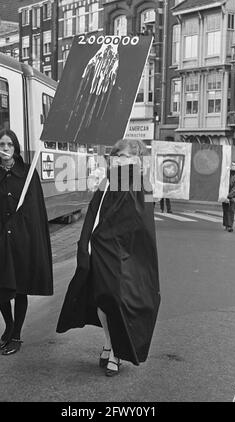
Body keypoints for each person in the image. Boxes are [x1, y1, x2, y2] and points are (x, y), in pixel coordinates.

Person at [56, 138, 160, 376]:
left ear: (138, 159)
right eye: (118, 156)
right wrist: (85, 244)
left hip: (126, 254)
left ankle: (116, 352)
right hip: (101, 249)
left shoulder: (143, 183)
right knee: (102, 301)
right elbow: (93, 213)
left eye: (126, 157)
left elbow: (142, 221)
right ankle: (109, 344)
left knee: (116, 301)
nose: (121, 160)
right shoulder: (107, 180)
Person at [0, 129, 53, 355]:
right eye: (1, 144)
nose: (5, 148)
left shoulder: (29, 174)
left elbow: (34, 209)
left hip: (23, 238)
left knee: (20, 287)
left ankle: (16, 335)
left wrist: (19, 230)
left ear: (16, 148)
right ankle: (9, 325)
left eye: (10, 144)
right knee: (0, 284)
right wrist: (0, 233)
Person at [222, 161, 235, 232]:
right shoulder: (226, 174)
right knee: (225, 210)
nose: (233, 166)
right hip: (225, 195)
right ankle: (225, 224)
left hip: (233, 196)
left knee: (231, 210)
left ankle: (230, 226)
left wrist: (229, 196)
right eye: (232, 165)